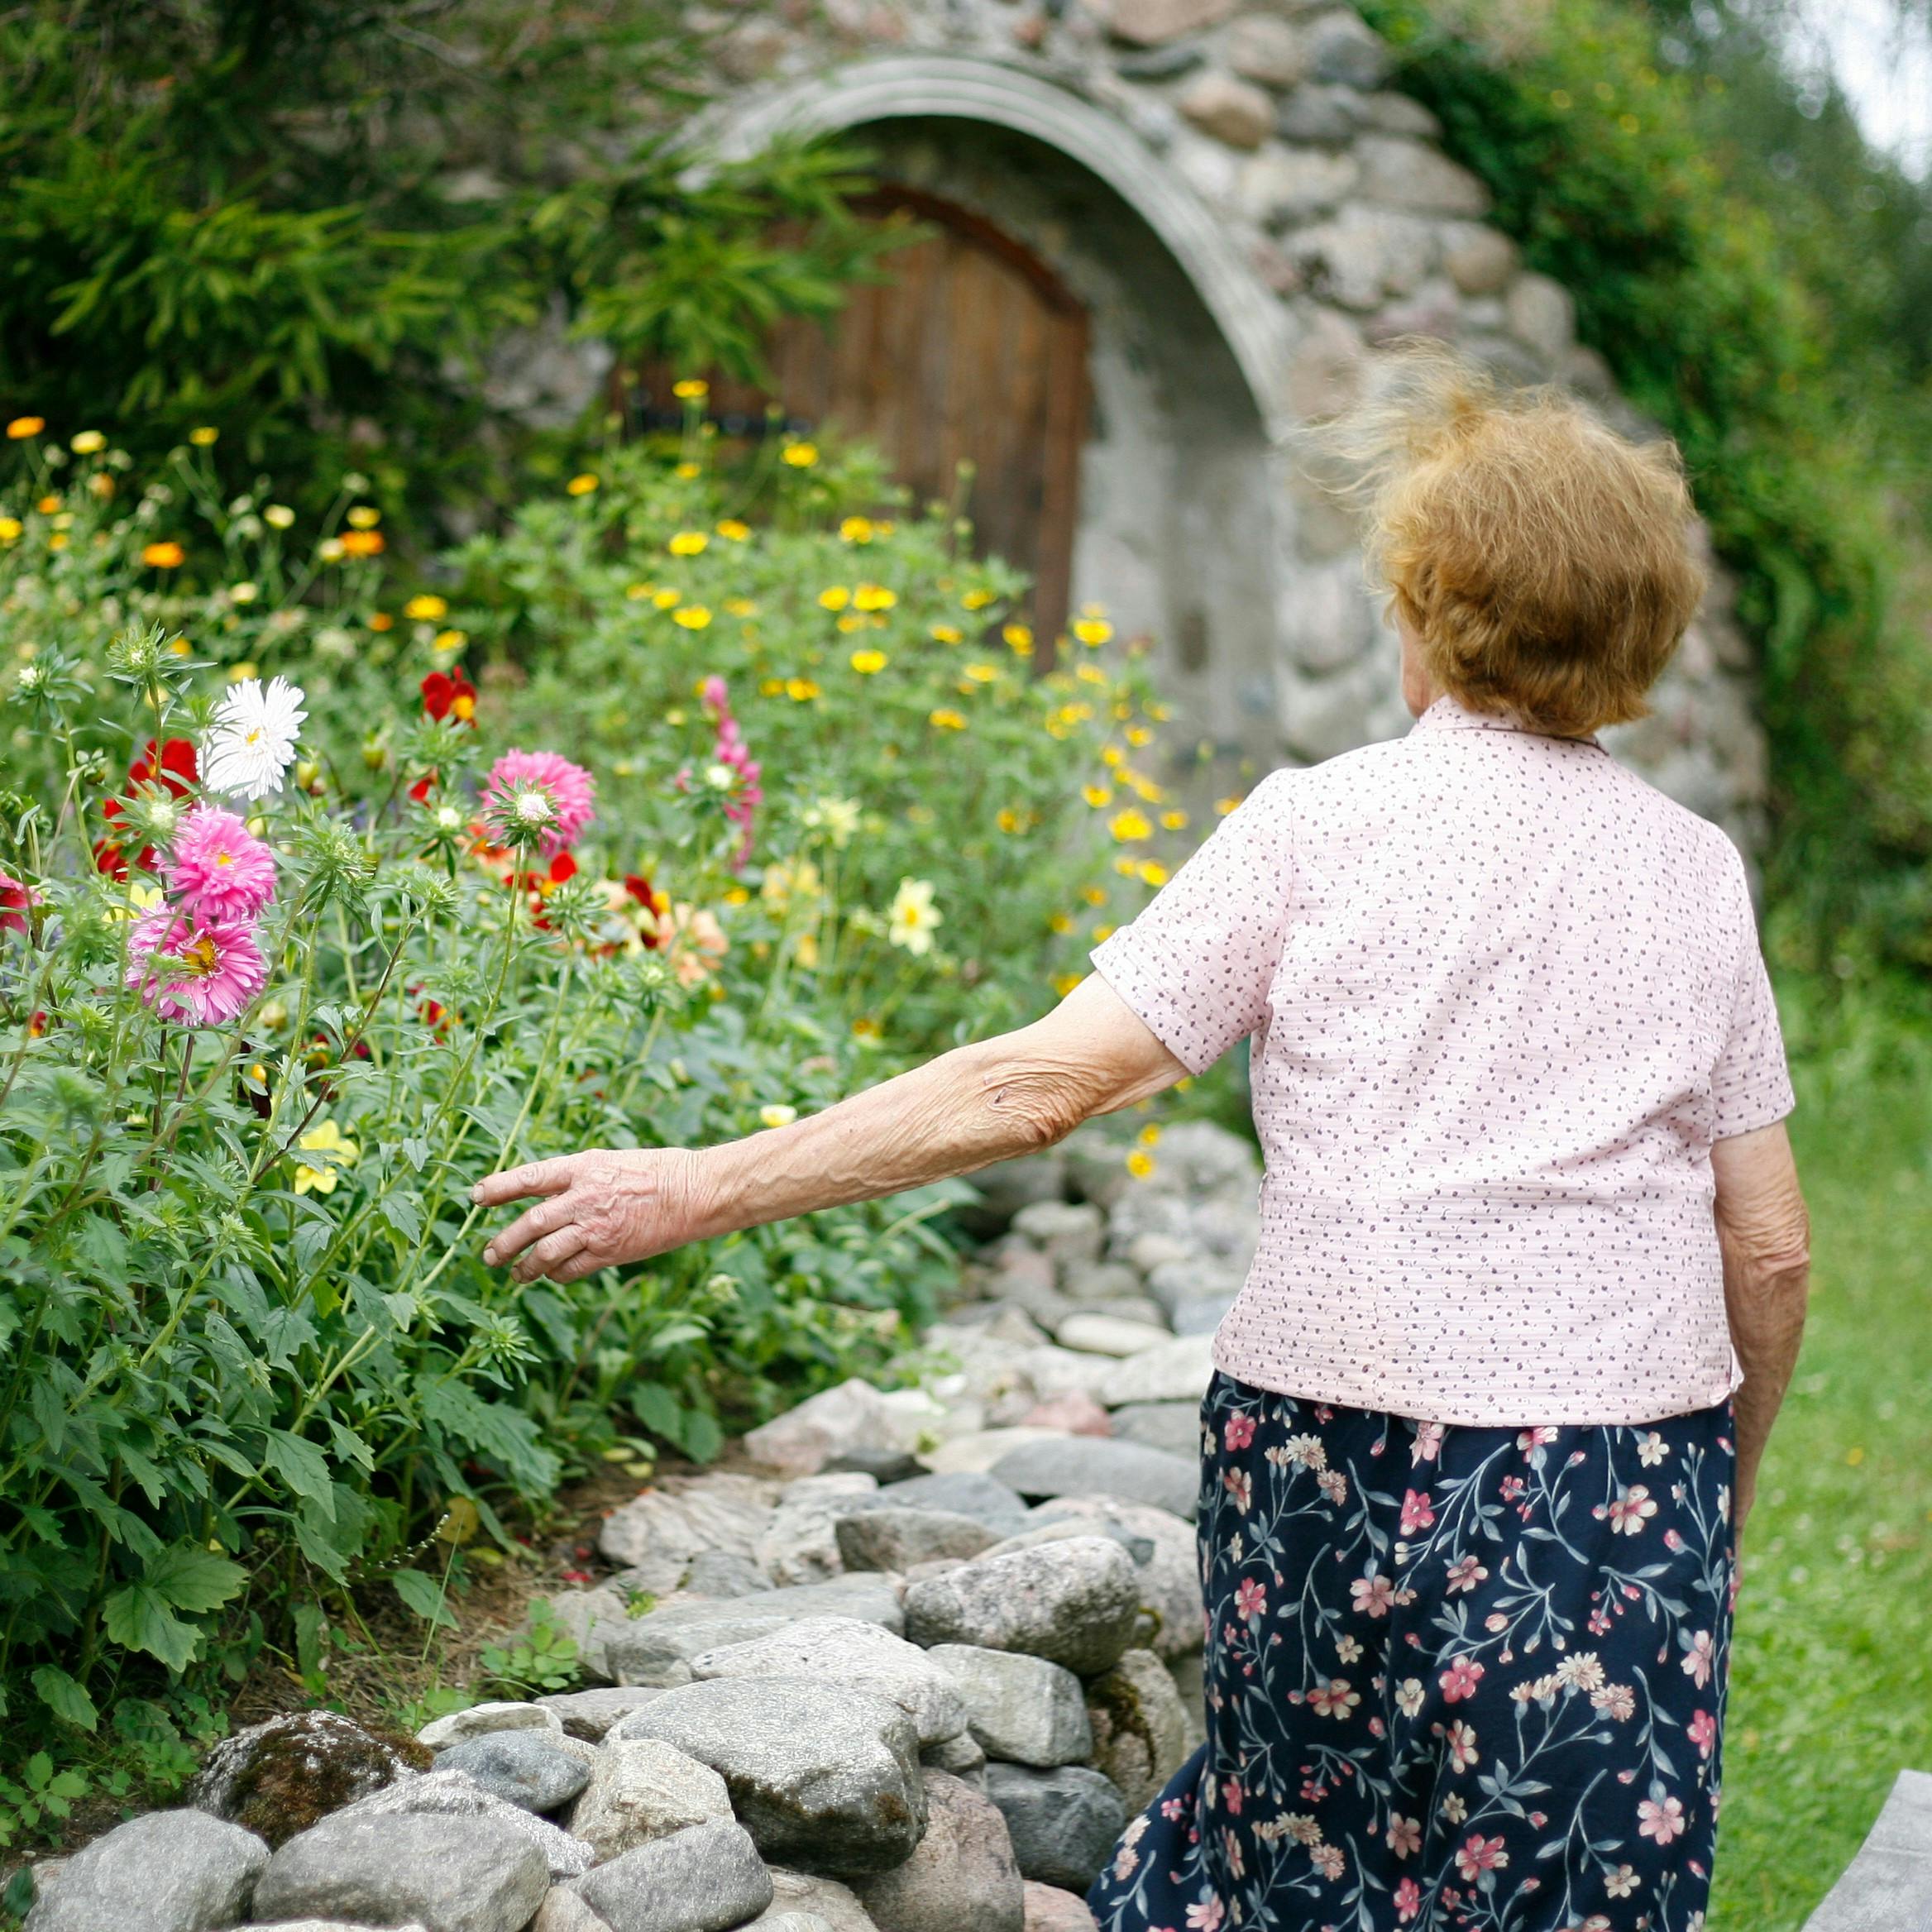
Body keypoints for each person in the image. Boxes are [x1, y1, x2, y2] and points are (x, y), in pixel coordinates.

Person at [476, 347, 1810, 1932]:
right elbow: (1772, 1244)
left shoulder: (1314, 827)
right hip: (1612, 1475)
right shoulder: (1694, 870)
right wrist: (1708, 1492)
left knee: (1304, 1877)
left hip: (1329, 1460)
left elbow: (1036, 1084)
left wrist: (695, 1184)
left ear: (1428, 607)